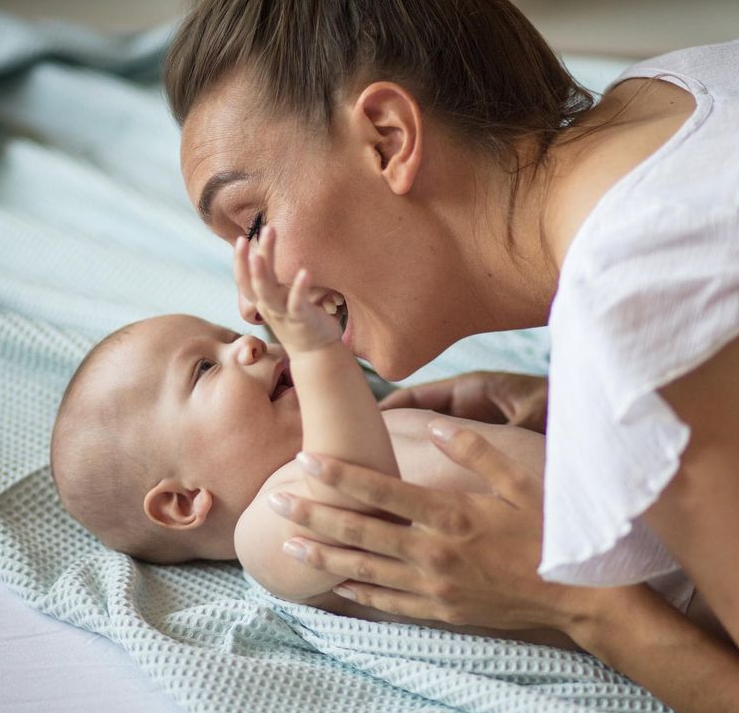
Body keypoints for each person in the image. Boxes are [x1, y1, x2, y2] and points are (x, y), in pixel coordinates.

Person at [163, 0, 739, 713]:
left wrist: (579, 602)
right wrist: (625, 422)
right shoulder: (687, 82)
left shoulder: (649, 324)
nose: (251, 304)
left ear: (388, 136)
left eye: (254, 220)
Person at [49, 229, 575, 648]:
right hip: (623, 580)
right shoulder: (267, 535)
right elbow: (357, 492)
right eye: (204, 369)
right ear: (184, 501)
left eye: (230, 337)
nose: (249, 346)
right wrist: (316, 353)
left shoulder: (365, 418)